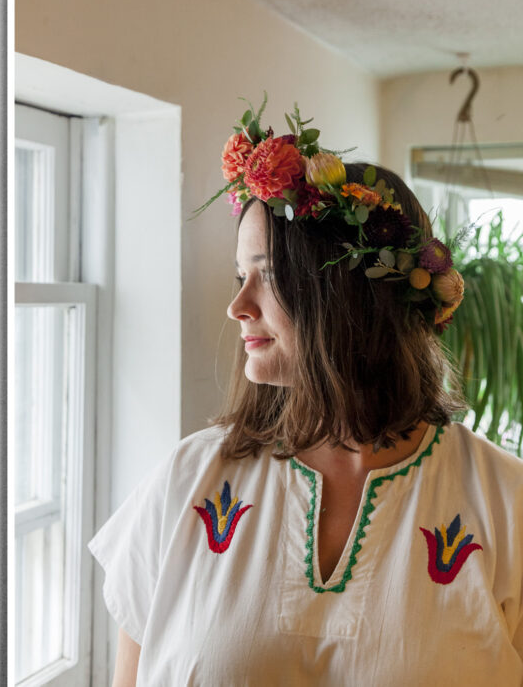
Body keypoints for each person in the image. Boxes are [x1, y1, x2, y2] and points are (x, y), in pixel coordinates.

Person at [89, 97, 523, 685]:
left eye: (268, 276)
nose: (238, 306)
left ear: (347, 296)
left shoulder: (502, 501)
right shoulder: (187, 480)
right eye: (241, 276)